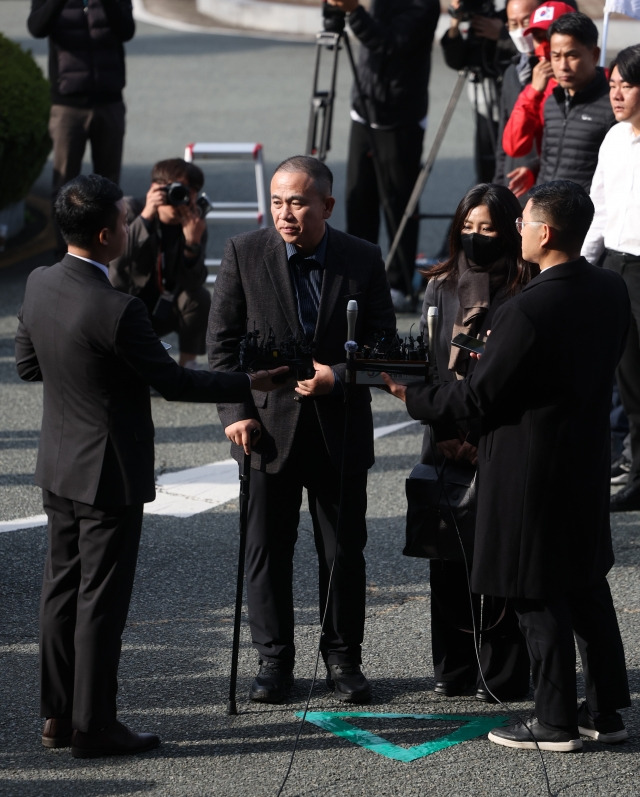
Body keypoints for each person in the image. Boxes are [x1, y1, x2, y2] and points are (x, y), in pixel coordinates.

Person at [15, 174, 286, 758]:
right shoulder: (117, 309)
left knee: (59, 592)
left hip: (58, 464)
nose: (135, 217)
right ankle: (95, 725)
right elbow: (174, 381)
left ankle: (57, 717)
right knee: (101, 602)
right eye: (126, 214)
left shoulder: (38, 283)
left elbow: (30, 367)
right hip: (108, 469)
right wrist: (250, 380)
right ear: (109, 234)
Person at [383, 180, 631, 751]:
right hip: (586, 461)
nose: (516, 229)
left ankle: (554, 721)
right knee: (587, 584)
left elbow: (476, 400)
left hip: (527, 470)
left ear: (544, 233)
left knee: (532, 590)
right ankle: (607, 711)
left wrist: (410, 396)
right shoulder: (611, 289)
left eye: (522, 222)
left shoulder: (527, 309)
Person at [207, 155, 396, 705]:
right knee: (267, 551)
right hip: (265, 433)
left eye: (297, 202)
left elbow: (383, 345)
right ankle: (274, 663)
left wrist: (336, 377)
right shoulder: (245, 253)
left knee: (343, 553)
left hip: (339, 432)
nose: (285, 213)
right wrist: (236, 412)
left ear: (326, 206)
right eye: (276, 201)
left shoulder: (362, 258)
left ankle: (343, 660)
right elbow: (222, 346)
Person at [420, 183, 534, 703]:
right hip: (443, 435)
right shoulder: (440, 286)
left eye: (487, 229)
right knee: (447, 558)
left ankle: (503, 669)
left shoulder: (526, 284)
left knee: (501, 559)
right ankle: (454, 665)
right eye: (467, 227)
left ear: (510, 230)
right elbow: (426, 364)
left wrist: (478, 435)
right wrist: (446, 431)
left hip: (500, 442)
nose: (475, 237)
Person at [326, 0, 440, 311]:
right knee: (357, 197)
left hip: (399, 117)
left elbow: (389, 44)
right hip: (364, 109)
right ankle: (358, 280)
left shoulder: (423, 6)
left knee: (397, 202)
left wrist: (353, 12)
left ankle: (400, 283)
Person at [582, 45, 640, 512]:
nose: (616, 94)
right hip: (615, 267)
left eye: (627, 85)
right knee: (628, 377)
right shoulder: (615, 138)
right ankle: (637, 470)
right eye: (613, 84)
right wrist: (578, 263)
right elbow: (597, 210)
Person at [109, 158, 210, 367]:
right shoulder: (129, 211)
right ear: (157, 188)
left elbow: (194, 282)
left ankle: (187, 365)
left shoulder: (194, 223)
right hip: (126, 302)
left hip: (166, 305)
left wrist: (192, 244)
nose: (184, 198)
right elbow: (115, 261)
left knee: (199, 297)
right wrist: (146, 217)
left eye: (192, 191)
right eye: (179, 189)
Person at [27, 0, 134, 197]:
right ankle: (62, 229)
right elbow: (37, 28)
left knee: (109, 186)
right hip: (67, 105)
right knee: (64, 184)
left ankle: (106, 229)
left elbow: (127, 30)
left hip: (109, 101)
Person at [502, 11, 614, 193]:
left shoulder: (613, 103)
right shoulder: (552, 99)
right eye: (555, 56)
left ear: (594, 55)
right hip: (543, 210)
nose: (562, 66)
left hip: (585, 216)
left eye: (572, 56)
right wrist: (534, 168)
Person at [493, 1, 576, 199]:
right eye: (537, 37)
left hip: (575, 205)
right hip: (528, 196)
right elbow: (510, 146)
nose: (542, 45)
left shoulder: (602, 86)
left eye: (548, 37)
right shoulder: (520, 75)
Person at [441, 0, 517, 185]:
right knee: (486, 171)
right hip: (484, 101)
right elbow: (457, 60)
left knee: (511, 169)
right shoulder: (483, 12)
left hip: (516, 100)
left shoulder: (520, 7)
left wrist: (503, 35)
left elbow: (541, 50)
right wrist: (455, 22)